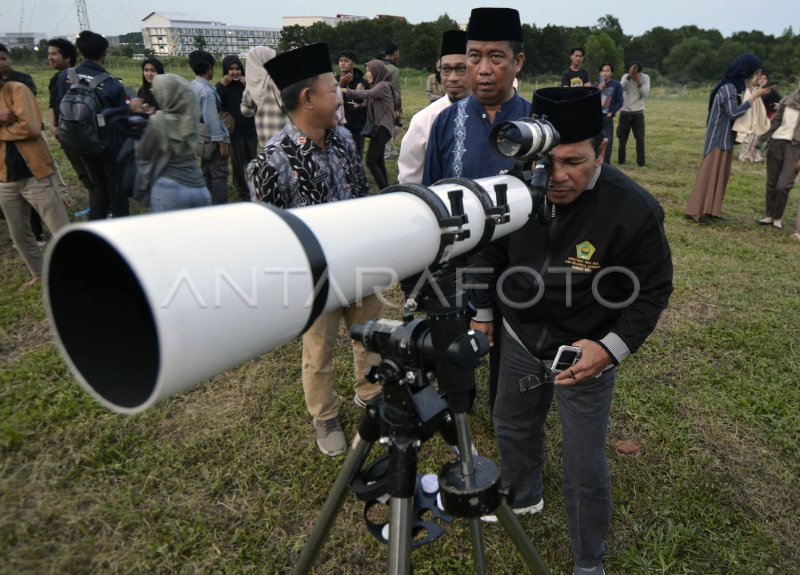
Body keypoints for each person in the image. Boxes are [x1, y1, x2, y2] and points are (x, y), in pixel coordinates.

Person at [471, 86, 673, 575]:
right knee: (511, 422)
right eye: (547, 161)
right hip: (520, 334)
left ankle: (588, 560)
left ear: (601, 150)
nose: (556, 177)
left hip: (583, 348)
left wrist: (608, 349)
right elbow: (487, 250)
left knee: (584, 464)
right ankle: (523, 495)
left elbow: (652, 291)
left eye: (574, 162)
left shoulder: (634, 209)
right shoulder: (518, 186)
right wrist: (482, 309)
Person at [247, 43, 383, 456]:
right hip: (315, 277)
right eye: (332, 89)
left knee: (370, 336)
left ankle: (371, 393)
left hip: (358, 264)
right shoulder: (271, 162)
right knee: (319, 350)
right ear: (308, 99)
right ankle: (325, 416)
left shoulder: (343, 139)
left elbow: (359, 194)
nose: (340, 94)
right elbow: (268, 236)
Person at [423, 7, 529, 414]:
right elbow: (432, 195)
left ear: (516, 62)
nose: (483, 69)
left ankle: (507, 409)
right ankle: (459, 408)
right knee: (455, 353)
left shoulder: (538, 121)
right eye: (474, 57)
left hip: (520, 268)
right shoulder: (446, 123)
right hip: (458, 267)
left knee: (512, 364)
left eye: (496, 57)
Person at [0, 74, 70, 289]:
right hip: (4, 178)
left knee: (60, 227)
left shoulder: (17, 90)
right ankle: (39, 274)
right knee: (19, 232)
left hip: (35, 173)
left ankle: (80, 266)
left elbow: (29, 127)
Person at [685, 53, 771, 223]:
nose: (756, 76)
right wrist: (753, 98)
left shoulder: (735, 87)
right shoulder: (728, 88)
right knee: (708, 174)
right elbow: (733, 112)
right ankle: (694, 211)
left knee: (720, 176)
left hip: (726, 139)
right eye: (755, 72)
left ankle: (712, 211)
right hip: (717, 139)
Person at [57, 30, 130, 220]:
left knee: (99, 186)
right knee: (117, 190)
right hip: (107, 146)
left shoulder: (65, 76)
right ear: (104, 53)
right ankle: (123, 229)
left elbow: (60, 105)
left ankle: (96, 226)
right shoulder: (112, 84)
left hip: (78, 141)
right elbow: (123, 119)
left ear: (81, 52)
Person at [398, 29, 470, 184]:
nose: (452, 78)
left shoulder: (488, 113)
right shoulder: (424, 120)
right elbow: (409, 180)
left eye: (461, 69)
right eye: (446, 70)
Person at [135, 74, 210, 212]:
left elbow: (142, 153)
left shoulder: (158, 122)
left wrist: (139, 119)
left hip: (170, 189)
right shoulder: (189, 119)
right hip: (200, 189)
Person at [0, 42, 44, 241]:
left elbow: (27, 121)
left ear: (10, 59)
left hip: (29, 151)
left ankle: (37, 231)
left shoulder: (22, 81)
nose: (1, 64)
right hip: (4, 157)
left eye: (3, 58)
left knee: (34, 191)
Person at [46, 38, 93, 209]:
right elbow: (52, 105)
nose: (50, 57)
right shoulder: (55, 79)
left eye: (54, 54)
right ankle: (95, 198)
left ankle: (100, 199)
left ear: (67, 58)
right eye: (49, 54)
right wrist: (52, 127)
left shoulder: (78, 76)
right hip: (63, 132)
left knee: (89, 168)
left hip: (81, 131)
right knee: (80, 169)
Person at [342, 60, 396, 190]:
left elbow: (366, 94)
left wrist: (345, 90)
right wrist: (359, 105)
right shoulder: (379, 85)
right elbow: (368, 102)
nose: (367, 74)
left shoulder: (382, 85)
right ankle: (387, 189)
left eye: (369, 71)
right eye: (366, 71)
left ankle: (384, 190)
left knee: (370, 160)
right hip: (382, 127)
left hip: (383, 128)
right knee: (378, 160)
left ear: (377, 71)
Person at [755, 85, 800, 231]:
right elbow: (775, 122)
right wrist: (761, 140)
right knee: (772, 182)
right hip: (776, 143)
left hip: (795, 148)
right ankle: (769, 215)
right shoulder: (787, 100)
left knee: (783, 186)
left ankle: (778, 217)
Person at [189, 50, 230, 205]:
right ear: (208, 68)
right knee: (219, 175)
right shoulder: (207, 92)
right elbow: (212, 120)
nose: (213, 70)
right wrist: (222, 145)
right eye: (212, 67)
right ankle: (220, 207)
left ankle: (206, 205)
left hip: (201, 139)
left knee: (206, 173)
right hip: (213, 140)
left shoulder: (193, 85)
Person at [216, 55, 258, 202]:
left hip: (251, 129)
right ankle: (243, 192)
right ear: (226, 70)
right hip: (234, 132)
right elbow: (215, 103)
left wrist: (249, 86)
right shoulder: (222, 86)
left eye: (237, 68)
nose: (235, 72)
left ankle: (256, 188)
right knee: (238, 164)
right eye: (231, 69)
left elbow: (258, 101)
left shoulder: (248, 84)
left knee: (253, 161)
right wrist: (222, 85)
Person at [240, 46, 285, 150]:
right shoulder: (278, 79)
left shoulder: (251, 84)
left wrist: (255, 110)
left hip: (264, 137)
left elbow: (245, 110)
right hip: (283, 136)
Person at [337, 50, 369, 159]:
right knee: (340, 158)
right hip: (339, 127)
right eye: (340, 61)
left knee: (356, 157)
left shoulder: (362, 82)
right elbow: (329, 100)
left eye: (346, 61)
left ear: (353, 63)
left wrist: (358, 105)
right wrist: (341, 84)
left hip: (357, 127)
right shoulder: (334, 80)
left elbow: (368, 103)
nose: (342, 63)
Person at [617, 62, 650, 167]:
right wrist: (629, 77)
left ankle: (641, 163)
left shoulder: (645, 78)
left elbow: (645, 94)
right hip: (625, 112)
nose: (635, 72)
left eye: (637, 71)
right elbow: (620, 88)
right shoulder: (625, 76)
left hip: (638, 113)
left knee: (640, 139)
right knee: (622, 138)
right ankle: (621, 161)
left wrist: (637, 80)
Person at [733, 71, 771, 162]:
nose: (762, 80)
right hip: (751, 118)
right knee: (749, 138)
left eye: (764, 78)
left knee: (758, 139)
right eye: (760, 78)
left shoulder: (769, 91)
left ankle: (755, 156)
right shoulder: (752, 90)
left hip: (762, 119)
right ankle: (746, 157)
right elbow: (749, 88)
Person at [596, 62, 623, 164]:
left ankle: (606, 163)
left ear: (611, 73)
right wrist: (597, 90)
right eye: (603, 71)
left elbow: (620, 102)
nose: (605, 73)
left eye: (607, 71)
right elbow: (591, 101)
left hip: (608, 118)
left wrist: (611, 113)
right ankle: (596, 163)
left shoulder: (616, 85)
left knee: (608, 142)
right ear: (600, 73)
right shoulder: (596, 86)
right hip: (597, 119)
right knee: (596, 142)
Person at [380, 42, 402, 159]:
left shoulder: (378, 65)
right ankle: (387, 151)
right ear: (395, 52)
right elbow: (396, 90)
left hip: (379, 101)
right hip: (390, 102)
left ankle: (391, 149)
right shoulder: (394, 69)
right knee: (393, 127)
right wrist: (398, 107)